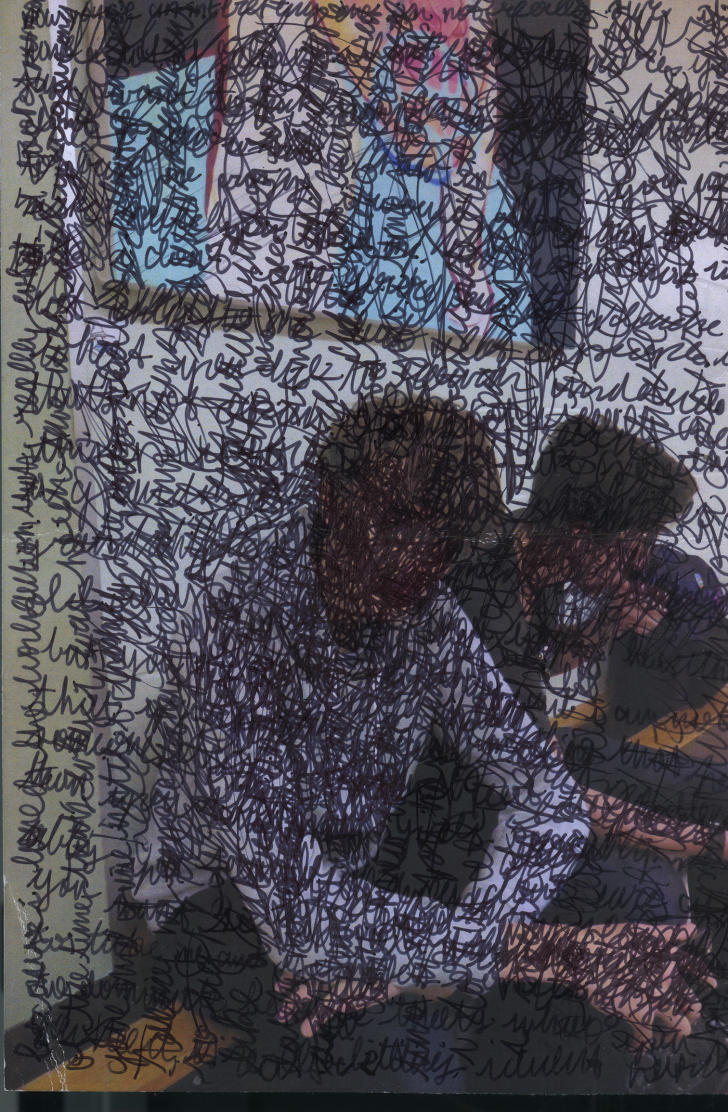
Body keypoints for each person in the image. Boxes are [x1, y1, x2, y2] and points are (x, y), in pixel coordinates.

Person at [137, 396, 717, 1092]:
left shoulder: (427, 612)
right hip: (223, 919)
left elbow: (547, 799)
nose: (420, 559)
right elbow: (300, 918)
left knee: (560, 1015)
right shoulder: (237, 626)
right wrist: (549, 953)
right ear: (332, 497)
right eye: (400, 522)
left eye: (445, 539)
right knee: (422, 1060)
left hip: (370, 881)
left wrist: (457, 944)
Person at [447, 414, 728, 1090]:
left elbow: (537, 668)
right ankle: (653, 1057)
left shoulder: (522, 559)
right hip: (486, 834)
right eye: (638, 540)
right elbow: (530, 800)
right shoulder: (481, 609)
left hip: (538, 764)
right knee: (655, 870)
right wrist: (694, 839)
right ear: (580, 535)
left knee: (706, 792)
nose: (643, 559)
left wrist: (601, 629)